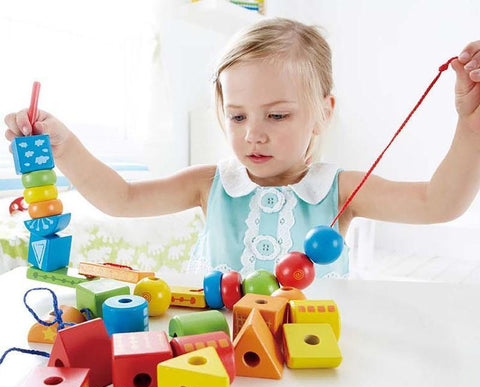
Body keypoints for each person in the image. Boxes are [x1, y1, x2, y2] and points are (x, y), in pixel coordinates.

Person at [4, 18, 480, 278]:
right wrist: (63, 147)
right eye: (237, 116)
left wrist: (471, 124)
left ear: (323, 111)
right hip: (217, 349)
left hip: (313, 352)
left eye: (277, 115)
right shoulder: (210, 183)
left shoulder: (340, 189)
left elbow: (439, 203)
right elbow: (121, 199)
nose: (254, 133)